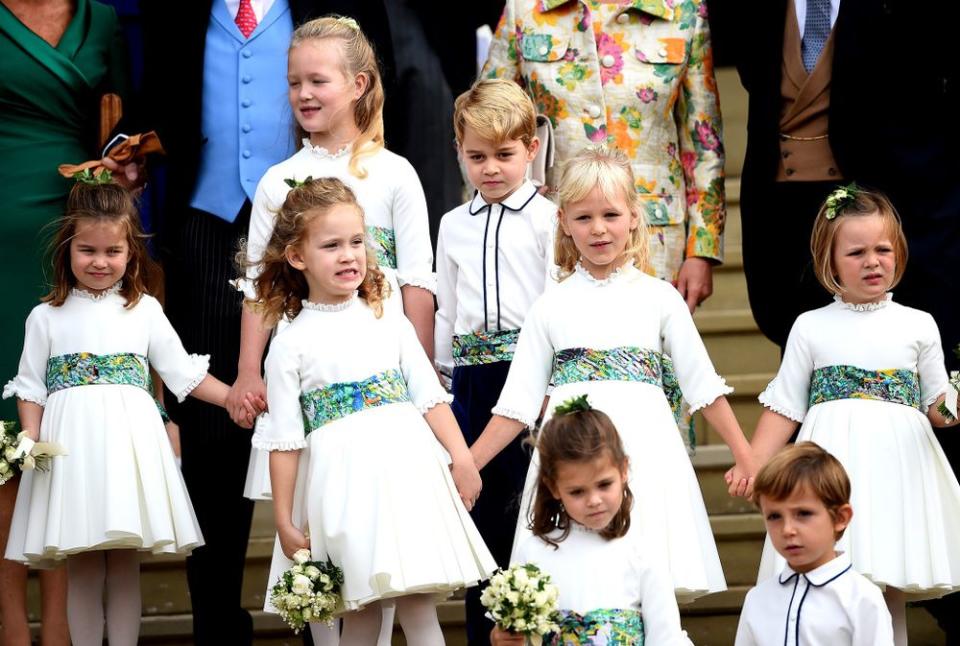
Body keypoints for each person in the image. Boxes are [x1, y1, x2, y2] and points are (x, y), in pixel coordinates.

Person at [137, 4, 394, 642]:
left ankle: (324, 617)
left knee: (323, 419)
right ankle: (217, 624)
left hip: (321, 234)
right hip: (206, 225)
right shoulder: (177, 11)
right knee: (215, 433)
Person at [469, 146, 754, 603]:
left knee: (646, 587)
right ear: (563, 221)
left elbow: (702, 386)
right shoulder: (548, 308)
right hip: (570, 460)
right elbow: (517, 405)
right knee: (574, 587)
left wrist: (745, 454)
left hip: (645, 456)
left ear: (634, 217)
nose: (599, 229)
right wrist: (467, 466)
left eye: (610, 214)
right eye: (583, 218)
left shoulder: (661, 298)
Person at [242, 177, 495, 643]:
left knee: (419, 606)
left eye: (357, 242)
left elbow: (429, 397)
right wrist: (284, 518)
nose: (348, 255)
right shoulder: (290, 343)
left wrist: (462, 458)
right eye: (331, 245)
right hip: (344, 488)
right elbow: (285, 440)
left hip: (407, 474)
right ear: (297, 257)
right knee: (361, 608)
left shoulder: (387, 318)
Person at [1, 183, 253, 646]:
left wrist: (234, 397)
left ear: (131, 252)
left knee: (122, 564)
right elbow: (30, 386)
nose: (100, 261)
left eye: (113, 250)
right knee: (81, 566)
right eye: (88, 250)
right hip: (71, 453)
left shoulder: (145, 311)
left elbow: (184, 376)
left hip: (125, 449)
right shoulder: (46, 317)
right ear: (68, 249)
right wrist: (32, 440)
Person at [748, 186, 960, 645]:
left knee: (887, 580)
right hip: (831, 465)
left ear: (899, 253)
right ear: (830, 259)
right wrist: (752, 462)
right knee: (833, 578)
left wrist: (957, 395)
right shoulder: (810, 326)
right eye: (857, 251)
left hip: (898, 468)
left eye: (883, 249)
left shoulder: (918, 324)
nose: (873, 261)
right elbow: (785, 405)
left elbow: (938, 408)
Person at [237, 15, 435, 500]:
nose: (304, 93)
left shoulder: (395, 174)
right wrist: (248, 370)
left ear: (357, 85)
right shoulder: (276, 182)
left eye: (317, 81)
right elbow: (259, 287)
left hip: (385, 367)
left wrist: (423, 371)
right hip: (313, 372)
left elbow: (417, 284)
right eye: (294, 83)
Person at [0, 0, 129, 639]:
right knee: (9, 418)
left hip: (78, 223)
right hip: (0, 229)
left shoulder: (103, 20)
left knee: (64, 416)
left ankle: (60, 629)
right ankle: (7, 624)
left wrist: (118, 161)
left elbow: (123, 120)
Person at [481, 0, 725, 311]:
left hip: (653, 236)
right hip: (553, 231)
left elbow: (704, 142)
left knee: (647, 354)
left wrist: (701, 250)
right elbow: (483, 120)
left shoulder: (683, 9)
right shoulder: (526, 7)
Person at [435, 77, 558, 644]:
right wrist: (442, 380)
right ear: (458, 150)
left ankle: (538, 627)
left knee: (530, 506)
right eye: (476, 155)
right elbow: (447, 310)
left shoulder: (549, 219)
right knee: (478, 509)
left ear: (531, 149)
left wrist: (556, 380)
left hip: (531, 379)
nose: (490, 169)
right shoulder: (453, 225)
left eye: (505, 155)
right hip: (473, 384)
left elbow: (557, 299)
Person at [492, 395, 693, 646]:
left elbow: (666, 638)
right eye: (577, 491)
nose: (594, 500)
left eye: (604, 484)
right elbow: (515, 633)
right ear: (554, 487)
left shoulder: (643, 550)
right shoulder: (533, 553)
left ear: (623, 470)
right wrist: (502, 637)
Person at [735, 442, 894, 645]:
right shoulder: (757, 599)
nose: (787, 529)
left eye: (803, 514)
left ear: (840, 518)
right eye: (775, 516)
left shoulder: (862, 599)